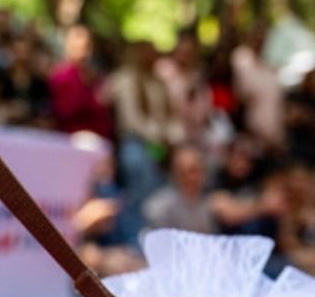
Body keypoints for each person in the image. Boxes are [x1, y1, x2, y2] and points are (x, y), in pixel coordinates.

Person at [106, 40, 177, 233]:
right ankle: (138, 232)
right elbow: (132, 119)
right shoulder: (126, 79)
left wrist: (170, 137)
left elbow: (169, 116)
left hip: (159, 145)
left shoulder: (158, 82)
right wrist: (157, 136)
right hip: (135, 142)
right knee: (140, 171)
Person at [48, 25, 115, 140]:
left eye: (87, 47)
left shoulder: (95, 76)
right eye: (79, 48)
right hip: (73, 137)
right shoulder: (60, 76)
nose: (85, 53)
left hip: (101, 136)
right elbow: (64, 112)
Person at [141, 145, 218, 234]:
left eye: (199, 169)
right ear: (176, 173)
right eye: (190, 171)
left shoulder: (211, 202)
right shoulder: (159, 207)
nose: (195, 177)